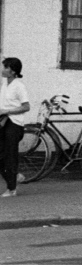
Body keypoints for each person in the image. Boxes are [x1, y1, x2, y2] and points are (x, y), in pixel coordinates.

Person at [0, 58, 28, 198]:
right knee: (1, 155)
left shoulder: (19, 86)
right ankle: (14, 176)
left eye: (5, 67)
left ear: (12, 71)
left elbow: (26, 106)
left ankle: (11, 189)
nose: (2, 70)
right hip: (3, 122)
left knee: (10, 156)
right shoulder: (5, 84)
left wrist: (7, 111)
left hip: (14, 124)